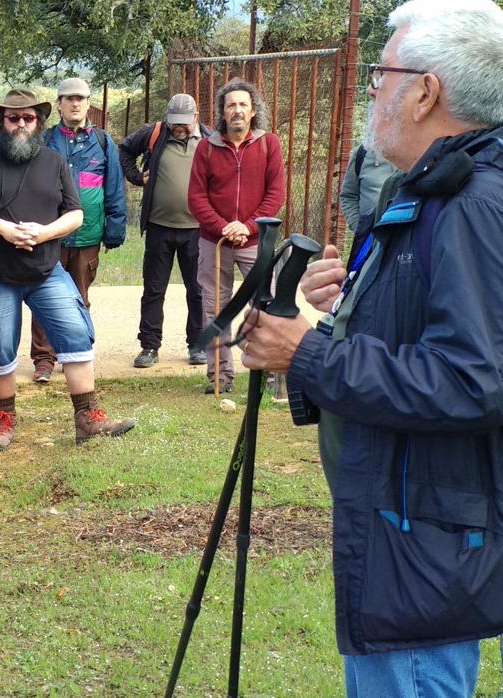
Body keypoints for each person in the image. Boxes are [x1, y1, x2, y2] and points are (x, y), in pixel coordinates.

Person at [239, 0, 503, 692]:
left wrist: (309, 354)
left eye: (381, 74)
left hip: (424, 540)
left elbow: (473, 379)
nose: (371, 92)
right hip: (404, 520)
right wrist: (347, 310)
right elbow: (428, 334)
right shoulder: (432, 192)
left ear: (426, 91)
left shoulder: (470, 203)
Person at [0, 89, 135, 451]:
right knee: (0, 345)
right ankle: (3, 420)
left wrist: (42, 233)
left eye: (28, 118)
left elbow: (75, 214)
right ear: (1, 122)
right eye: (13, 118)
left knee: (76, 332)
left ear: (38, 121)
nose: (21, 123)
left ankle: (88, 419)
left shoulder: (54, 161)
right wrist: (5, 229)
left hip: (45, 269)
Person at [187, 78, 285, 394]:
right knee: (215, 309)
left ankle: (268, 372)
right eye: (231, 105)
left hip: (255, 242)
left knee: (264, 305)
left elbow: (275, 194)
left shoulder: (270, 144)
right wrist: (223, 227)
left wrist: (248, 226)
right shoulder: (206, 147)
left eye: (243, 104)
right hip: (214, 242)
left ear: (253, 110)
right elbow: (196, 197)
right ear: (223, 112)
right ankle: (220, 376)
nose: (237, 111)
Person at [27, 78, 127, 383]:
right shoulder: (44, 140)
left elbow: (114, 188)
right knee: (44, 296)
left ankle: (76, 355)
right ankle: (44, 359)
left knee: (80, 299)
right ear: (58, 103)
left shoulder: (103, 142)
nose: (75, 104)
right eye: (69, 99)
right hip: (50, 235)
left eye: (80, 99)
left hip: (87, 236)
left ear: (88, 103)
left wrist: (114, 229)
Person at [117, 93, 211, 369]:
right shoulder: (154, 133)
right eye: (174, 122)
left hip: (197, 229)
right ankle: (149, 346)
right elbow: (124, 150)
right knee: (154, 290)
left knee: (197, 290)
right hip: (159, 227)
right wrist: (136, 177)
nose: (178, 128)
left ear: (195, 118)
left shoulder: (210, 139)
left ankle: (198, 345)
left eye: (184, 122)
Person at [339, 133, 403, 233]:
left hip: (401, 236)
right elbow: (348, 195)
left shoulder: (414, 154)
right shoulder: (362, 153)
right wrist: (358, 227)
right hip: (368, 236)